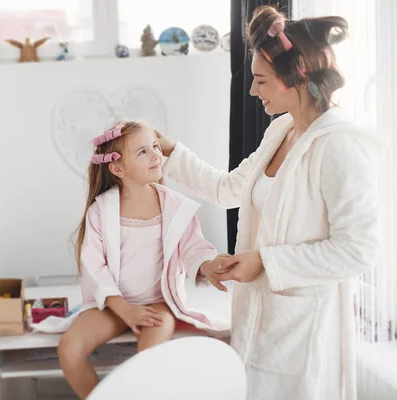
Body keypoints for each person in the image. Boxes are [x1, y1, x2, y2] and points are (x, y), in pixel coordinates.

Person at [157, 6, 381, 400]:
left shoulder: (341, 146)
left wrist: (266, 262)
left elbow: (358, 250)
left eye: (260, 80)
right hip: (257, 319)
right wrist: (171, 151)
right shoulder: (281, 130)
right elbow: (228, 190)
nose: (251, 91)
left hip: (303, 330)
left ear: (295, 77)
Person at [33, 120, 229, 399]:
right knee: (69, 349)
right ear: (117, 168)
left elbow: (193, 248)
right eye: (142, 152)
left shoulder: (176, 205)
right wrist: (123, 308)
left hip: (157, 304)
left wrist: (209, 266)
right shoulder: (101, 210)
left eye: (155, 147)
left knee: (147, 359)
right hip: (112, 305)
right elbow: (94, 266)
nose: (155, 155)